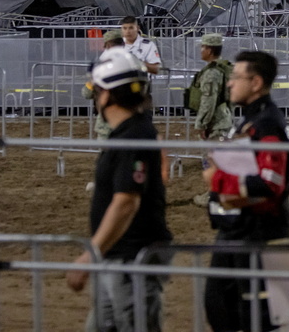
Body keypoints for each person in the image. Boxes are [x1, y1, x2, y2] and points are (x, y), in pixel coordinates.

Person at [66, 48, 173, 332]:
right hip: (118, 256)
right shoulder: (128, 133)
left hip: (131, 258)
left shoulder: (133, 136)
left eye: (97, 89)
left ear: (108, 94)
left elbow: (126, 201)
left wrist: (90, 254)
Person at [202, 51, 289, 332]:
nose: (229, 83)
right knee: (222, 304)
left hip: (257, 231)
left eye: (236, 77)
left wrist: (218, 180)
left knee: (255, 313)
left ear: (255, 82)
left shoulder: (267, 124)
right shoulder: (253, 120)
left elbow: (270, 183)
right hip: (238, 227)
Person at [191, 33, 235, 207]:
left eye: (203, 47)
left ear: (209, 49)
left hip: (215, 122)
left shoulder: (211, 73)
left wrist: (201, 124)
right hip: (224, 118)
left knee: (211, 160)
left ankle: (213, 194)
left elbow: (208, 102)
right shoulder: (224, 68)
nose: (201, 51)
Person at [81, 29, 124, 140]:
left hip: (107, 123)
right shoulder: (135, 64)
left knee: (107, 155)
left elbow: (87, 93)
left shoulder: (101, 67)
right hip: (129, 123)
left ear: (108, 45)